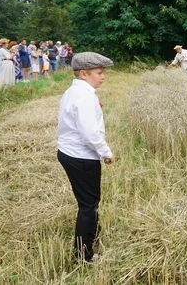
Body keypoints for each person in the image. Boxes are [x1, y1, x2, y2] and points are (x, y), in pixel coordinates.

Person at [57, 52, 115, 263]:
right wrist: (106, 152)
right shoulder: (85, 96)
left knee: (87, 202)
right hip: (82, 157)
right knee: (88, 205)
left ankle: (90, 237)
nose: (103, 76)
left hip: (68, 152)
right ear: (84, 73)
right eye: (99, 73)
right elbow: (90, 133)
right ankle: (83, 256)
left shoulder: (72, 92)